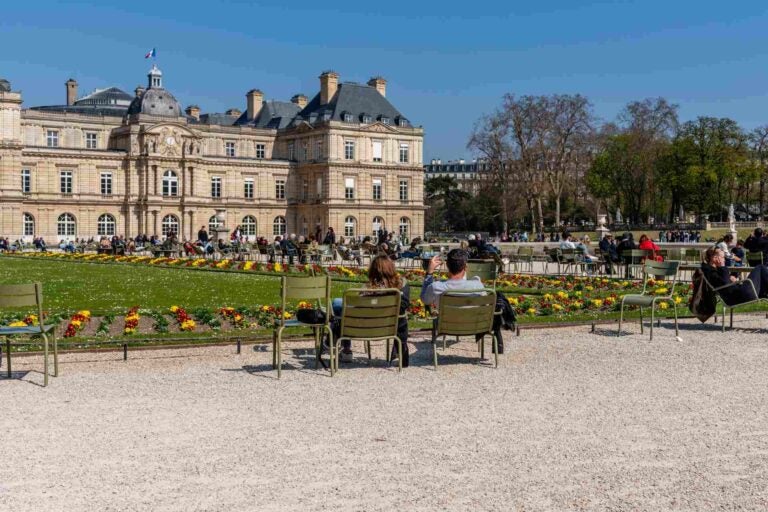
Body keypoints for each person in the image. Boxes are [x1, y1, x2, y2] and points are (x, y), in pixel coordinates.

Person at [332, 255, 411, 366]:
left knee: (337, 305)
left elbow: (358, 309)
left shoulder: (366, 288)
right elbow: (404, 305)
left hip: (365, 328)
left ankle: (345, 349)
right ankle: (401, 352)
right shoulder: (402, 285)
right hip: (389, 328)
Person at [421, 248, 503, 354]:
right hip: (474, 326)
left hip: (446, 325)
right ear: (465, 267)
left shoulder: (436, 287)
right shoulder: (477, 285)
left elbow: (425, 299)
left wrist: (429, 273)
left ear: (447, 265)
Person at [701, 247, 768, 304]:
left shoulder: (711, 270)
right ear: (715, 258)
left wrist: (731, 279)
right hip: (739, 296)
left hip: (739, 294)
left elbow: (723, 282)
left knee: (763, 280)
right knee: (760, 268)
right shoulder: (710, 271)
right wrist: (722, 266)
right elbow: (725, 283)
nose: (724, 260)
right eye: (723, 257)